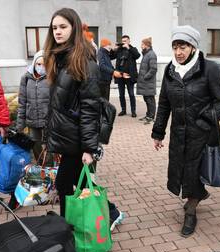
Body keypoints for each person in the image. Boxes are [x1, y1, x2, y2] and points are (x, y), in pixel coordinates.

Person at [44, 8, 123, 230]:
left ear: (74, 28)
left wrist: (89, 148)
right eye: (54, 28)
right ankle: (110, 212)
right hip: (67, 135)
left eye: (63, 27)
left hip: (77, 139)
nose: (57, 32)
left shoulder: (84, 63)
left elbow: (90, 108)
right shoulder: (59, 59)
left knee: (63, 184)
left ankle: (66, 232)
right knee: (82, 182)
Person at [151, 25, 220, 237]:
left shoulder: (209, 68)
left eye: (183, 46)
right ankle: (198, 194)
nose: (178, 52)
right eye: (175, 47)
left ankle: (191, 212)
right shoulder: (170, 70)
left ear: (193, 47)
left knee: (194, 171)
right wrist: (158, 133)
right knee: (181, 169)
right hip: (179, 133)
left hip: (203, 133)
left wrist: (205, 121)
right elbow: (164, 104)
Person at [16, 50, 52, 163]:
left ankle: (51, 172)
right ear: (34, 64)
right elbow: (22, 103)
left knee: (49, 150)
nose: (41, 67)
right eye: (39, 64)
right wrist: (19, 126)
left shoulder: (52, 78)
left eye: (44, 64)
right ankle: (41, 170)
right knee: (36, 148)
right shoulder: (26, 78)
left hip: (48, 121)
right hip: (32, 121)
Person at [114, 35, 140, 117]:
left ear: (129, 41)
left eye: (125, 41)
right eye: (123, 41)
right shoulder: (119, 50)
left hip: (129, 76)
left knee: (131, 94)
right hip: (120, 75)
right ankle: (123, 110)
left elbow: (137, 55)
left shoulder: (133, 49)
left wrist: (129, 48)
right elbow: (111, 56)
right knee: (121, 94)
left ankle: (133, 111)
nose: (124, 42)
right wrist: (113, 49)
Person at [136, 37, 157, 124]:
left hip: (148, 82)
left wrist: (145, 77)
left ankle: (151, 117)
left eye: (142, 44)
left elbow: (153, 69)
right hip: (146, 83)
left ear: (146, 45)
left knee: (150, 100)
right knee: (147, 99)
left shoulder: (151, 54)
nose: (141, 46)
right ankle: (148, 115)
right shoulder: (146, 54)